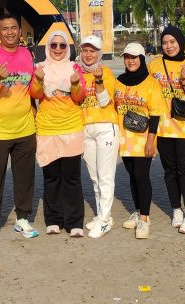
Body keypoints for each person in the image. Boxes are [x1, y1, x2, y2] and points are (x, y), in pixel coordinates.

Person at [0, 13, 40, 243]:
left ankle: (23, 218)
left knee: (25, 176)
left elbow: (29, 89)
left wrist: (35, 112)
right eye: (5, 28)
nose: (10, 32)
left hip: (25, 128)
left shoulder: (26, 54)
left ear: (20, 31)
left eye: (14, 28)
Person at [30, 30, 87, 237]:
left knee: (72, 178)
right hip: (47, 128)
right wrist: (38, 80)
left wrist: (75, 84)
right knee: (51, 177)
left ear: (68, 48)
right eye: (53, 45)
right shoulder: (40, 68)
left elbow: (80, 97)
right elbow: (35, 94)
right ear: (48, 47)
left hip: (71, 127)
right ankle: (53, 220)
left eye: (62, 45)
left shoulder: (74, 68)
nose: (57, 49)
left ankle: (74, 222)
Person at [150, 25, 185, 234]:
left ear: (180, 42)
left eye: (172, 42)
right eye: (165, 42)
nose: (169, 46)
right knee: (169, 171)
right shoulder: (155, 64)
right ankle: (176, 209)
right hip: (163, 126)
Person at [112, 42, 165, 239]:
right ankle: (137, 211)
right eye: (127, 57)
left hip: (143, 138)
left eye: (134, 57)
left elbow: (155, 114)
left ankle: (144, 218)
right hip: (124, 138)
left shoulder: (151, 83)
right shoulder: (119, 81)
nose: (130, 61)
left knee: (142, 176)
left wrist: (151, 140)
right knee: (133, 176)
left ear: (142, 59)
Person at [76, 35, 118, 239]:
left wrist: (99, 79)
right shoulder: (77, 73)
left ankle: (104, 219)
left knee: (105, 175)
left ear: (99, 53)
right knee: (94, 176)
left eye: (92, 51)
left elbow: (103, 101)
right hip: (85, 128)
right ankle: (103, 215)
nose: (88, 54)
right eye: (85, 50)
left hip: (105, 127)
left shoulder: (106, 72)